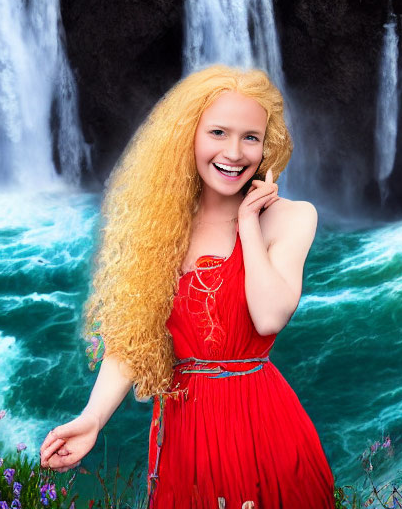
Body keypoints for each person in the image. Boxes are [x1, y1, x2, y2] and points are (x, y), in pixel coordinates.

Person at [39, 65, 335, 509]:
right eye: (217, 132)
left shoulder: (293, 217)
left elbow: (269, 315)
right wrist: (93, 417)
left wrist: (249, 223)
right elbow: (132, 341)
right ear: (188, 137)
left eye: (250, 137)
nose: (234, 152)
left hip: (261, 424)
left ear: (267, 145)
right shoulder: (158, 226)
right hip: (184, 434)